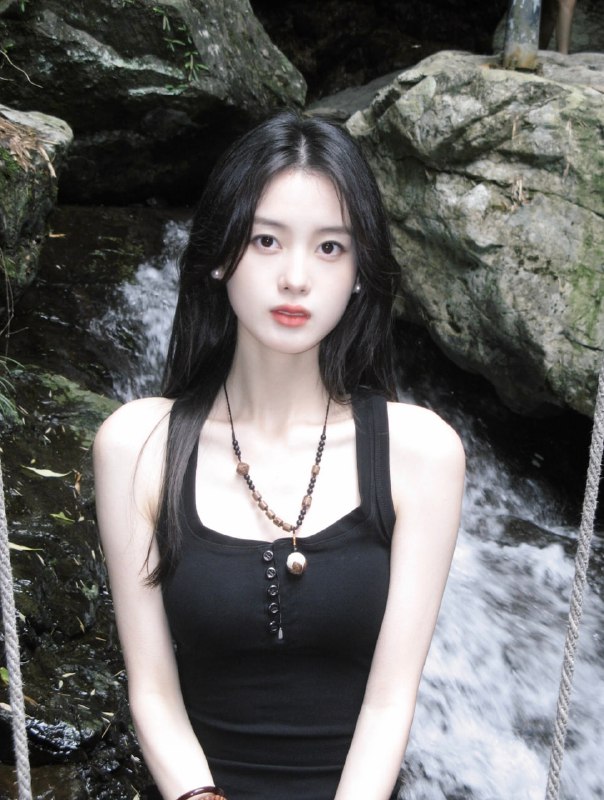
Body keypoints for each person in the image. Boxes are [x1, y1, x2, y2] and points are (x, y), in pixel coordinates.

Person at [93, 111, 465, 800]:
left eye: (330, 248)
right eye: (266, 240)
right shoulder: (137, 444)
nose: (296, 278)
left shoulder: (422, 453)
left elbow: (390, 704)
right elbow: (152, 692)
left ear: (359, 272)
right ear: (220, 254)